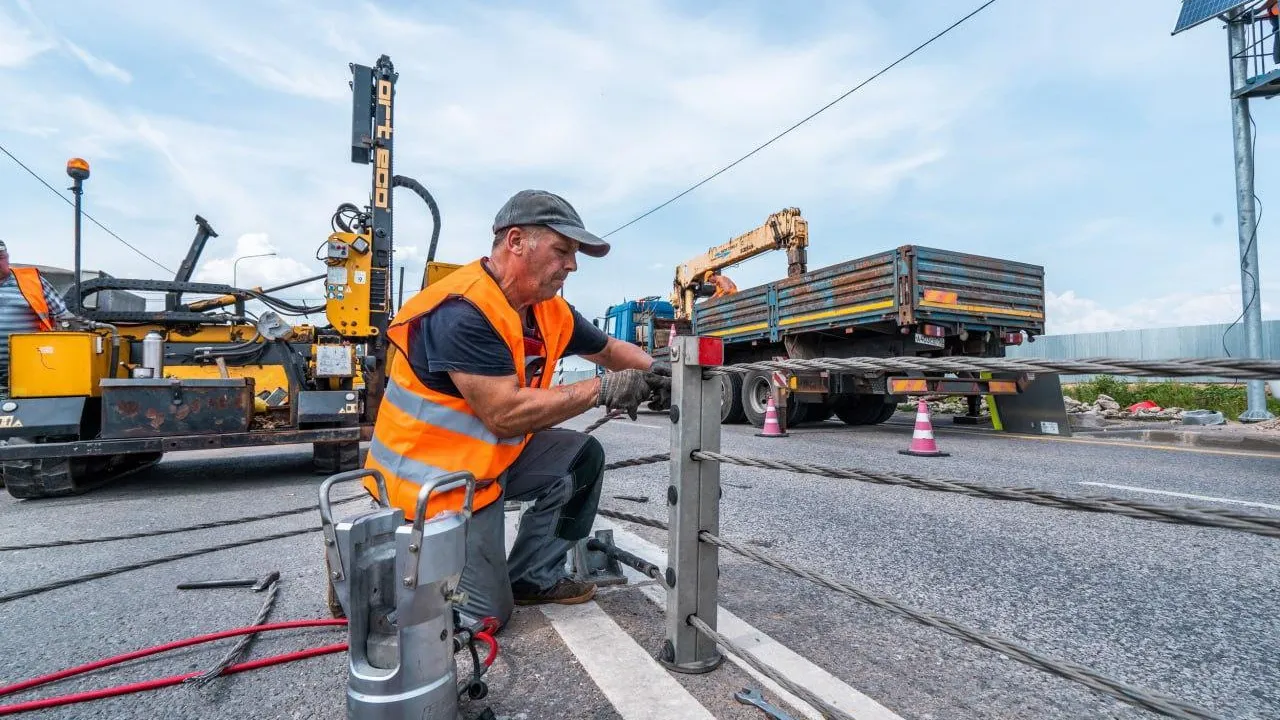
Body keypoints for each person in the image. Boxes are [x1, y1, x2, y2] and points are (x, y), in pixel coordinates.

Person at [362, 189, 670, 629]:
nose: (572, 265)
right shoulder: (463, 310)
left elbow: (607, 348)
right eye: (562, 250)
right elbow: (503, 414)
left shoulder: (548, 310)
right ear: (515, 241)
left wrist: (662, 370)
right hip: (434, 486)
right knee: (483, 617)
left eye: (574, 254)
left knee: (581, 458)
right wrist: (603, 390)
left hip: (489, 464)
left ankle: (532, 578)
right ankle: (371, 569)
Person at [0, 241, 77, 401]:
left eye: (0, 258)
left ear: (7, 257)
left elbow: (64, 317)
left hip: (29, 370)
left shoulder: (32, 282)